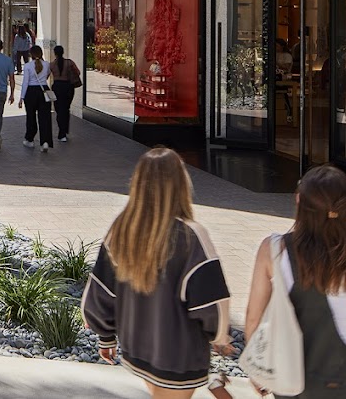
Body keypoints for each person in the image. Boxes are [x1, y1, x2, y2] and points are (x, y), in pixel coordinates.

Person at [82, 148, 233, 397]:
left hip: (138, 352)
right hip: (179, 358)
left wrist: (106, 337)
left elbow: (100, 294)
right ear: (180, 184)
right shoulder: (191, 236)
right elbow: (211, 305)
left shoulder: (121, 230)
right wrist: (218, 336)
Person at [245, 165, 346, 398]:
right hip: (342, 379)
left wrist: (258, 368)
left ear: (299, 200)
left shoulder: (273, 248)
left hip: (289, 372)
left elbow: (253, 316)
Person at [19, 44, 54, 152]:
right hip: (44, 90)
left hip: (31, 91)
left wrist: (22, 97)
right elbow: (47, 75)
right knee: (45, 117)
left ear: (31, 54)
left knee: (31, 116)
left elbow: (25, 82)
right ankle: (45, 141)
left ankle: (30, 139)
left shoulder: (28, 66)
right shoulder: (47, 64)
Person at [51, 45, 82, 143]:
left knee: (59, 110)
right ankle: (64, 131)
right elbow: (78, 72)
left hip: (57, 87)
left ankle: (61, 132)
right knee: (65, 109)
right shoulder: (69, 63)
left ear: (55, 53)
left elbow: (45, 75)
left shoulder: (52, 64)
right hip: (68, 87)